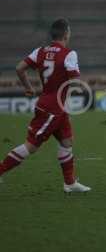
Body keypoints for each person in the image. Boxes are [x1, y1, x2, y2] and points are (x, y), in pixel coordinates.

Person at [0, 18, 91, 193]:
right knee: (31, 146)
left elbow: (20, 68)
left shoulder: (40, 51)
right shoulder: (68, 54)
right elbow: (74, 82)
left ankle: (70, 183)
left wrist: (28, 88)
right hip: (53, 109)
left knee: (66, 141)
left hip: (51, 105)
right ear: (66, 34)